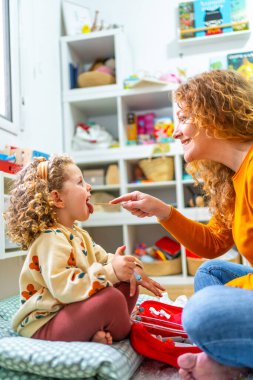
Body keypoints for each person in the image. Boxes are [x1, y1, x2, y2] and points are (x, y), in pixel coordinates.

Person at [111, 70, 253, 379]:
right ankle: (227, 357)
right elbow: (213, 244)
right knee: (210, 273)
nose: (175, 132)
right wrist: (162, 211)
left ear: (214, 114)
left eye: (184, 118)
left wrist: (226, 296)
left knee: (201, 312)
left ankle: (222, 355)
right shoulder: (235, 178)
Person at [6, 155, 164, 345]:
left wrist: (131, 267)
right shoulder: (49, 239)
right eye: (80, 182)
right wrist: (112, 272)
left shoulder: (79, 234)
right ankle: (125, 329)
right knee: (112, 299)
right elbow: (65, 288)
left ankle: (97, 330)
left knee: (125, 284)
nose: (88, 186)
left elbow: (106, 259)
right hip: (45, 323)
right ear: (57, 198)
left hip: (69, 310)